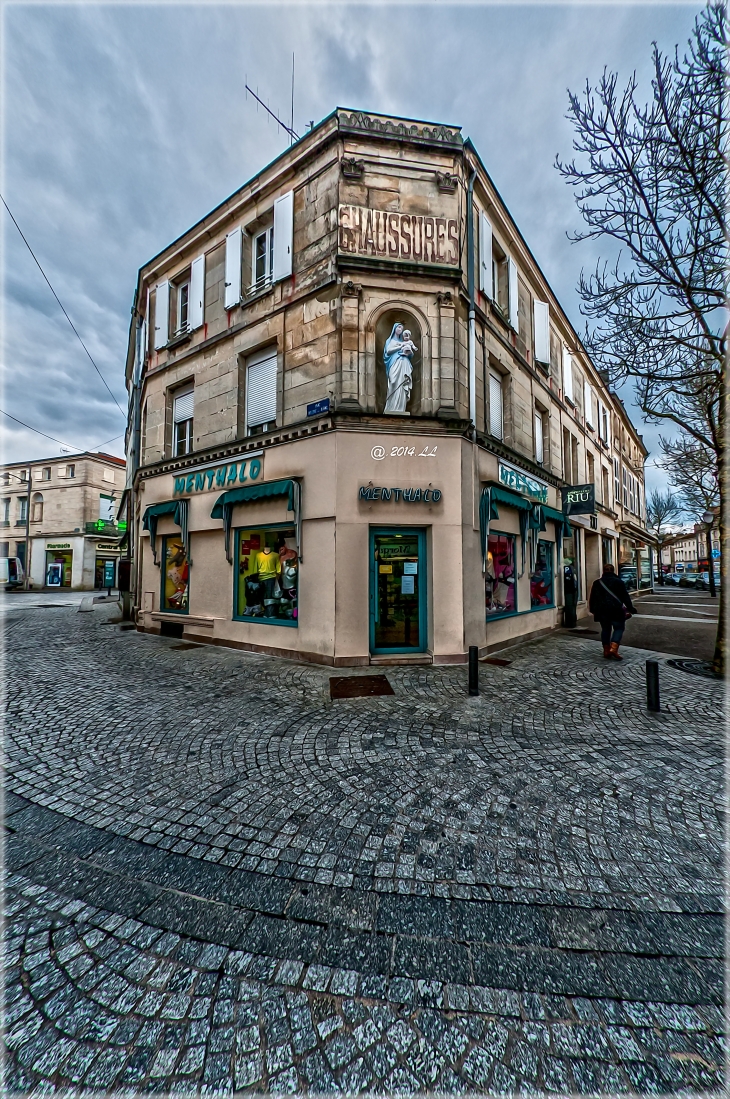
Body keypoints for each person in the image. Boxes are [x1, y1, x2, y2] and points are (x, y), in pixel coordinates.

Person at [589, 563, 637, 659]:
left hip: (602, 611)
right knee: (619, 628)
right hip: (616, 610)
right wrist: (631, 608)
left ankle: (606, 651)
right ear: (613, 570)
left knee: (606, 629)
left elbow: (592, 598)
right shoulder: (619, 582)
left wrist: (593, 609)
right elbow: (625, 597)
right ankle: (613, 649)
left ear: (603, 571)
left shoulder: (597, 583)